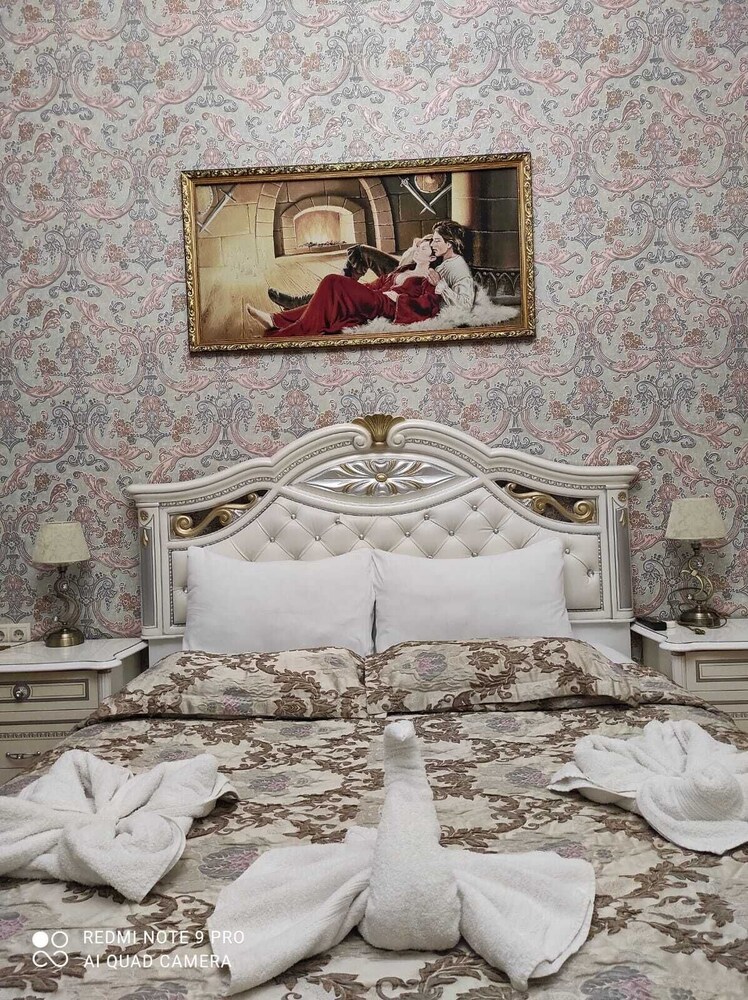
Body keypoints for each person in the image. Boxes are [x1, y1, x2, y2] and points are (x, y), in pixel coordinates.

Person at [247, 238, 442, 339]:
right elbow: (379, 283)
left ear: (432, 257)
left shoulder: (428, 278)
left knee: (332, 281)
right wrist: (357, 289)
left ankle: (294, 329)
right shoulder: (405, 268)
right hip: (375, 298)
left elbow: (428, 306)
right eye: (418, 247)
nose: (417, 250)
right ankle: (276, 319)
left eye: (423, 249)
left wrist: (399, 299)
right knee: (335, 290)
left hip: (387, 307)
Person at [267, 220, 475, 314]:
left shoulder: (458, 269)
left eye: (437, 240)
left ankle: (304, 303)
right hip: (404, 272)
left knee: (347, 283)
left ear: (449, 244)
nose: (434, 243)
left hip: (409, 286)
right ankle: (324, 298)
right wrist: (416, 248)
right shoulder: (438, 250)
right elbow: (408, 262)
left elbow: (465, 305)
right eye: (434, 240)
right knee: (360, 251)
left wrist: (441, 286)